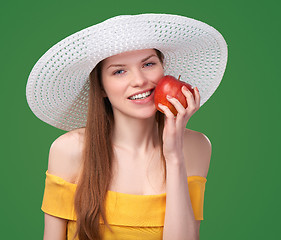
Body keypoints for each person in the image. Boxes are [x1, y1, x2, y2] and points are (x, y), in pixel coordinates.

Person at [26, 13, 227, 240]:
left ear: (163, 69)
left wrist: (174, 156)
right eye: (119, 71)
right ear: (101, 87)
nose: (139, 80)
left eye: (149, 64)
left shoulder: (195, 146)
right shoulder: (69, 150)